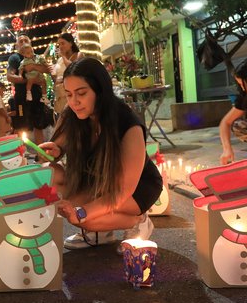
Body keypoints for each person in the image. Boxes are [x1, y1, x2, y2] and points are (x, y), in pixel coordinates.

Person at [39, 58, 162, 251]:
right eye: (69, 94)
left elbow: (121, 191)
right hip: (98, 182)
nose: (74, 102)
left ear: (100, 90)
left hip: (136, 189)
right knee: (48, 174)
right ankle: (102, 232)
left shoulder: (127, 125)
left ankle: (138, 221)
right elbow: (57, 146)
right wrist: (54, 150)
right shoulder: (73, 114)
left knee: (84, 219)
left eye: (81, 93)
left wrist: (81, 214)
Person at [7, 35, 50, 148]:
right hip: (21, 96)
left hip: (37, 95)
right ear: (16, 45)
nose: (23, 42)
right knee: (21, 126)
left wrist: (33, 67)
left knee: (38, 125)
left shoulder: (37, 57)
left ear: (30, 43)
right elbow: (10, 77)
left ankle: (41, 157)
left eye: (26, 40)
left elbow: (47, 69)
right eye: (20, 41)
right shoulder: (14, 58)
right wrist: (28, 80)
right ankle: (20, 158)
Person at [53, 32, 83, 114]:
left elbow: (72, 68)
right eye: (59, 44)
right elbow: (56, 76)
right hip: (61, 94)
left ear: (70, 43)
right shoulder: (59, 60)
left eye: (63, 43)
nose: (61, 46)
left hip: (73, 93)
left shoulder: (78, 55)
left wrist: (63, 56)